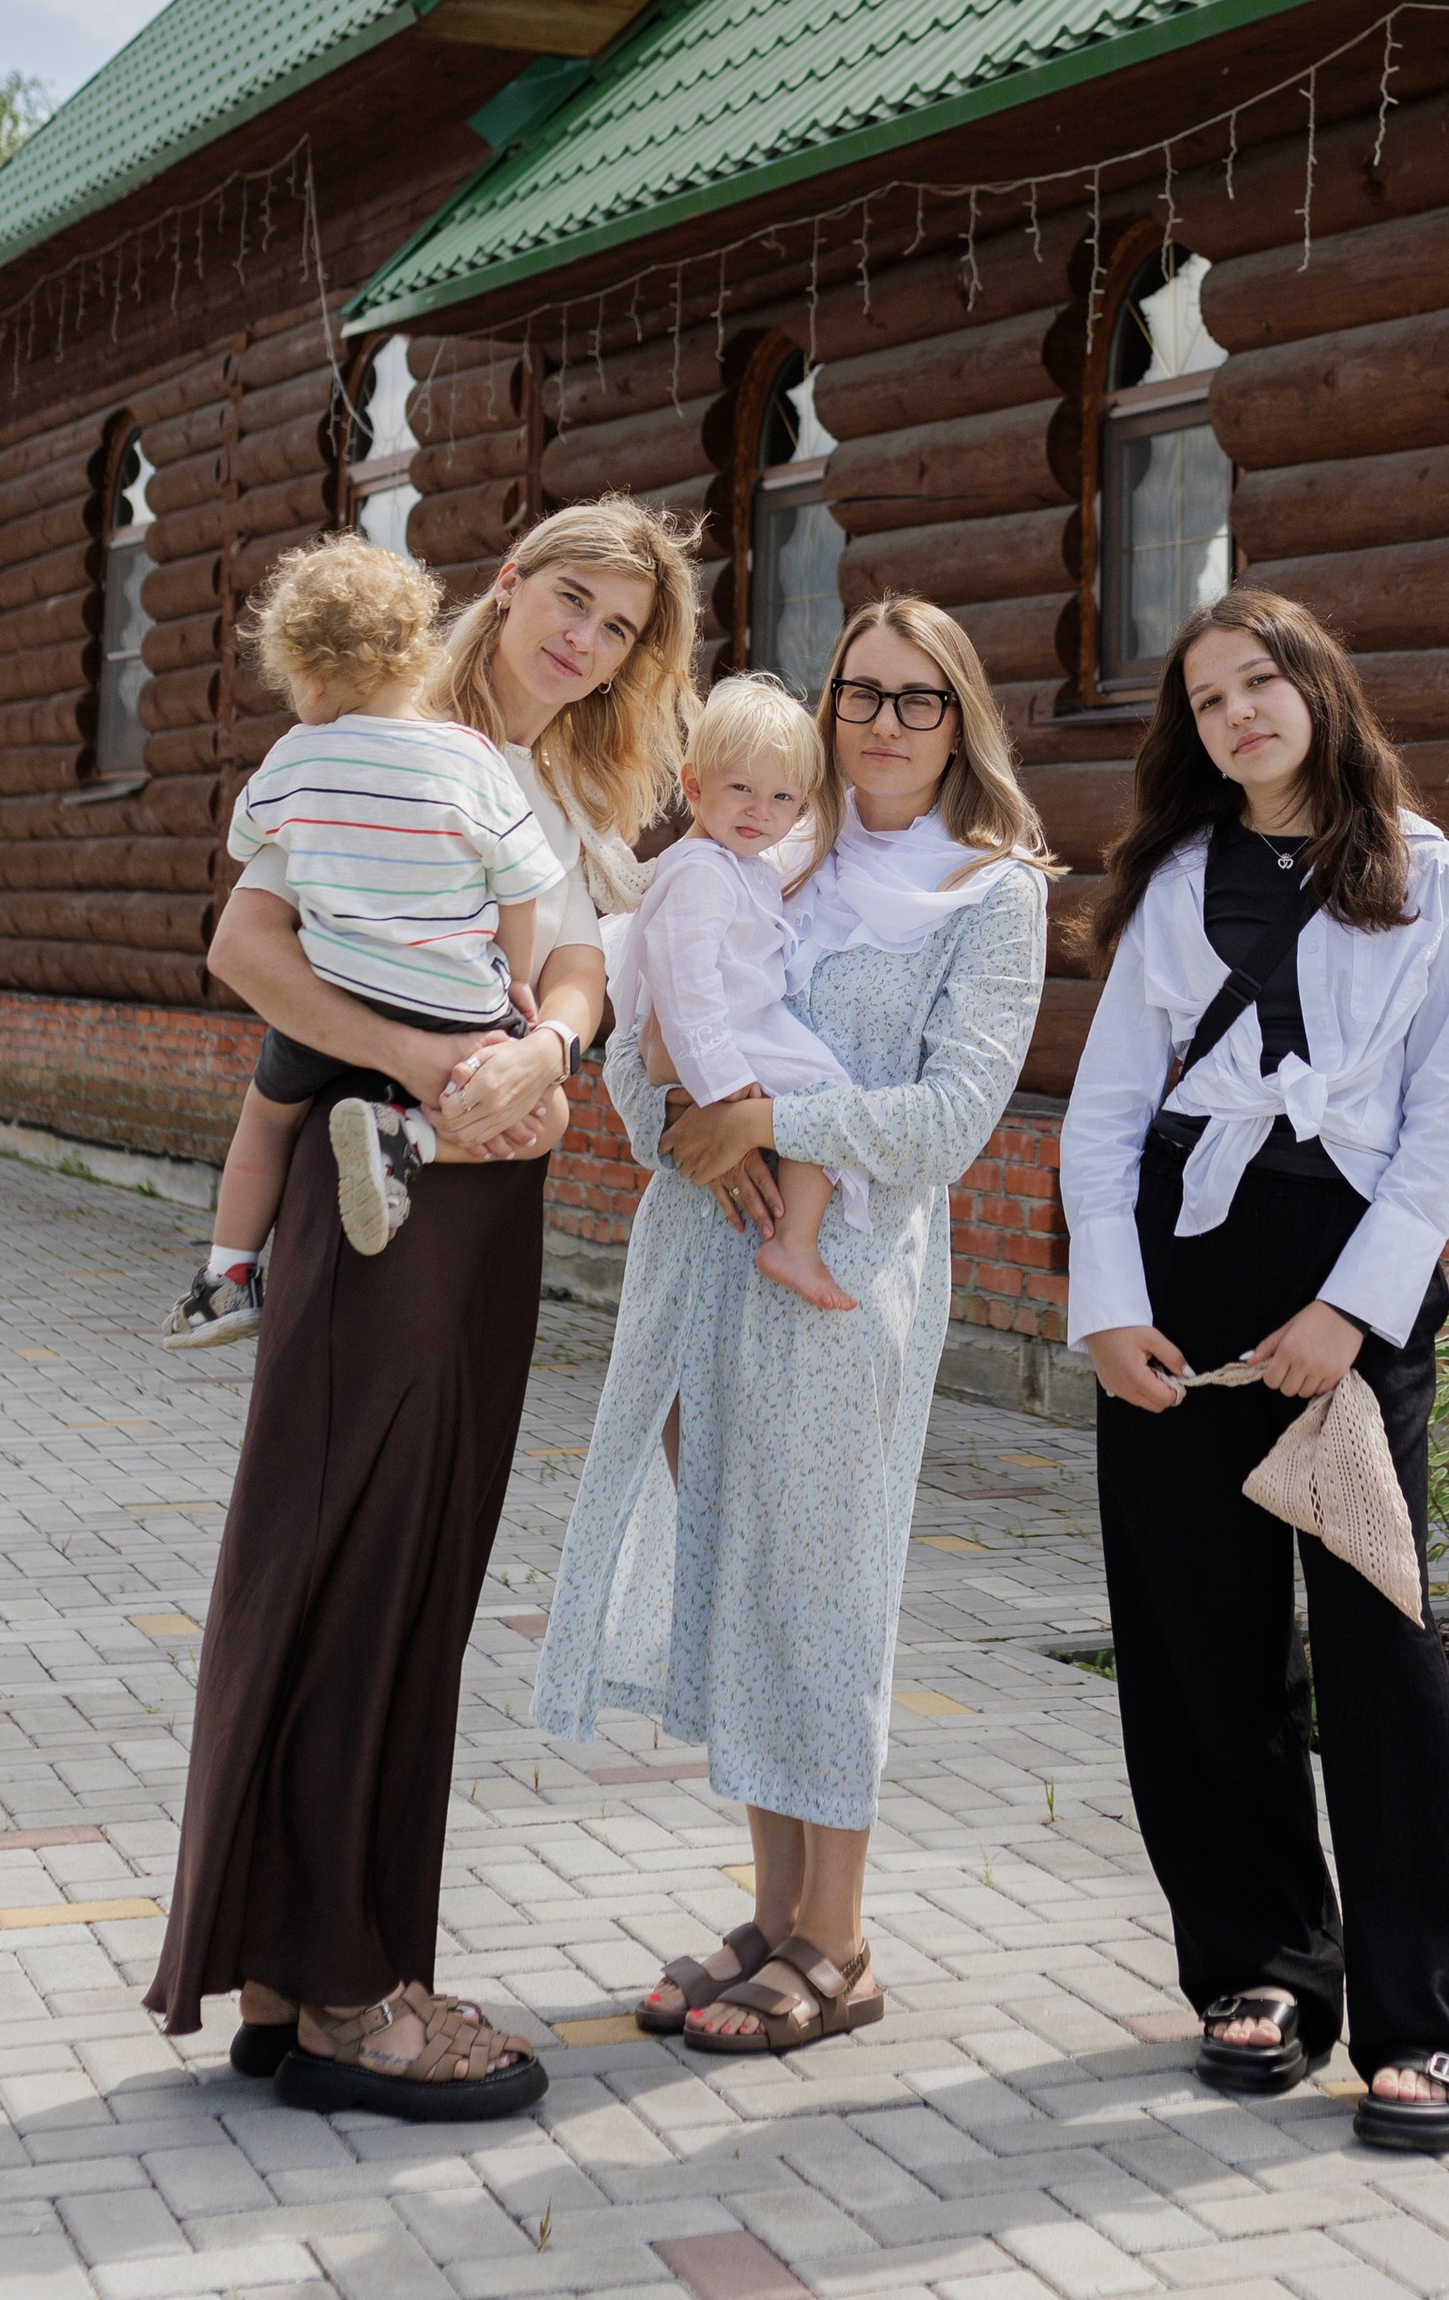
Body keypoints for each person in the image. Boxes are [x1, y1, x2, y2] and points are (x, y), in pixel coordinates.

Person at [146, 500, 698, 2119]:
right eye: (569, 599)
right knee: (348, 1554)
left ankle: (290, 1966)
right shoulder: (385, 735)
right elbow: (244, 942)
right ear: (510, 585)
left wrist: (547, 1051)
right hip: (370, 1178)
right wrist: (418, 1062)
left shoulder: (572, 784)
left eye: (619, 628)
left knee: (413, 1565)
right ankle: (345, 1998)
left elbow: (578, 966)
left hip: (484, 1194)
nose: (582, 640)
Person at [532, 595, 1050, 2057]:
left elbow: (953, 1116)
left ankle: (842, 1937)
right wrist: (682, 1129)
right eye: (859, 695)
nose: (881, 724)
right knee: (745, 1578)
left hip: (846, 1281)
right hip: (700, 1263)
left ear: (961, 722)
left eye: (916, 700)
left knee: (826, 1593)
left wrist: (773, 1117)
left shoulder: (989, 891)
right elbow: (648, 1026)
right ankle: (771, 1910)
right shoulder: (766, 846)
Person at [1059, 586, 1449, 2158]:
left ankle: (1435, 2023)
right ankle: (1261, 1969)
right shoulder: (1179, 879)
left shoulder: (1424, 872)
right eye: (1208, 699)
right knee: (1202, 1644)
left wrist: (1352, 1317)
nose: (1240, 713)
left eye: (1263, 682)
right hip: (1184, 1278)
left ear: (1320, 690)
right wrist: (1110, 1308)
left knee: (1382, 1653)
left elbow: (1448, 1127)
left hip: (1348, 1295)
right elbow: (1107, 1113)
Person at [160, 537, 567, 1342]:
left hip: (332, 1005)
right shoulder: (472, 759)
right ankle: (410, 1137)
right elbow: (522, 889)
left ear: (309, 676)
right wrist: (516, 979)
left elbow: (248, 843)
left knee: (266, 1118)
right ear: (416, 655)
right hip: (455, 1009)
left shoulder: (293, 758)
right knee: (543, 1113)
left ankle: (228, 1275)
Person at [616, 672, 859, 1314]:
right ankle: (794, 1245)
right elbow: (682, 981)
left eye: (782, 797)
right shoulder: (699, 872)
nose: (760, 812)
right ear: (694, 785)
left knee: (817, 1096)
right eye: (741, 789)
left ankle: (793, 1239)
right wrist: (721, 1083)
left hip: (730, 1033)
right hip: (716, 1040)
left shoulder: (740, 865)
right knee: (823, 1095)